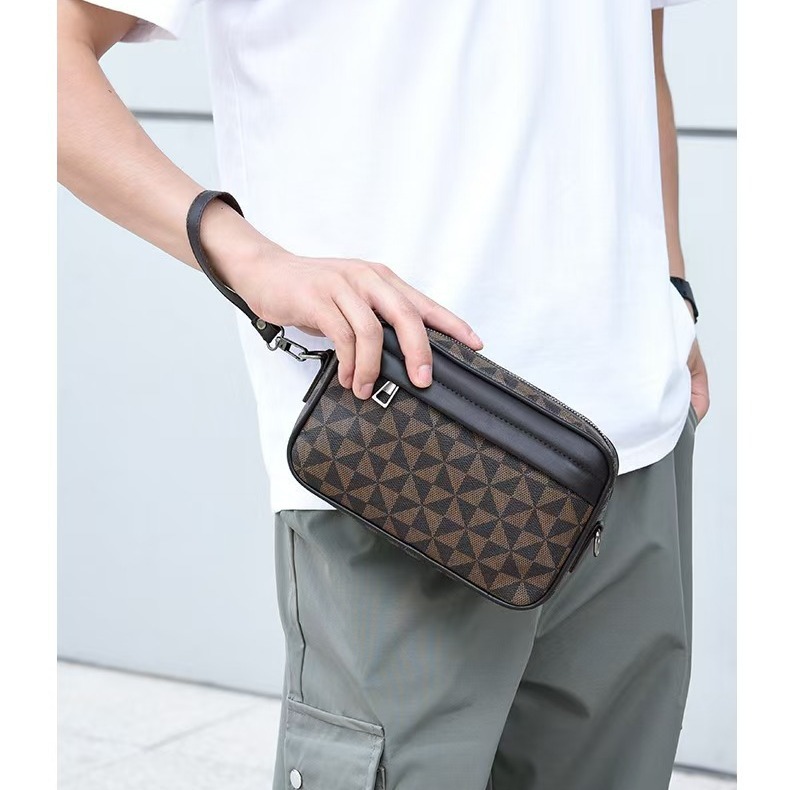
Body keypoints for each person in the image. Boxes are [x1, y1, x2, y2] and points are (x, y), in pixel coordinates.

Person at [58, 0, 711, 787]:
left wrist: (672, 288)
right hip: (403, 455)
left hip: (636, 446)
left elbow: (639, 46)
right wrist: (250, 260)